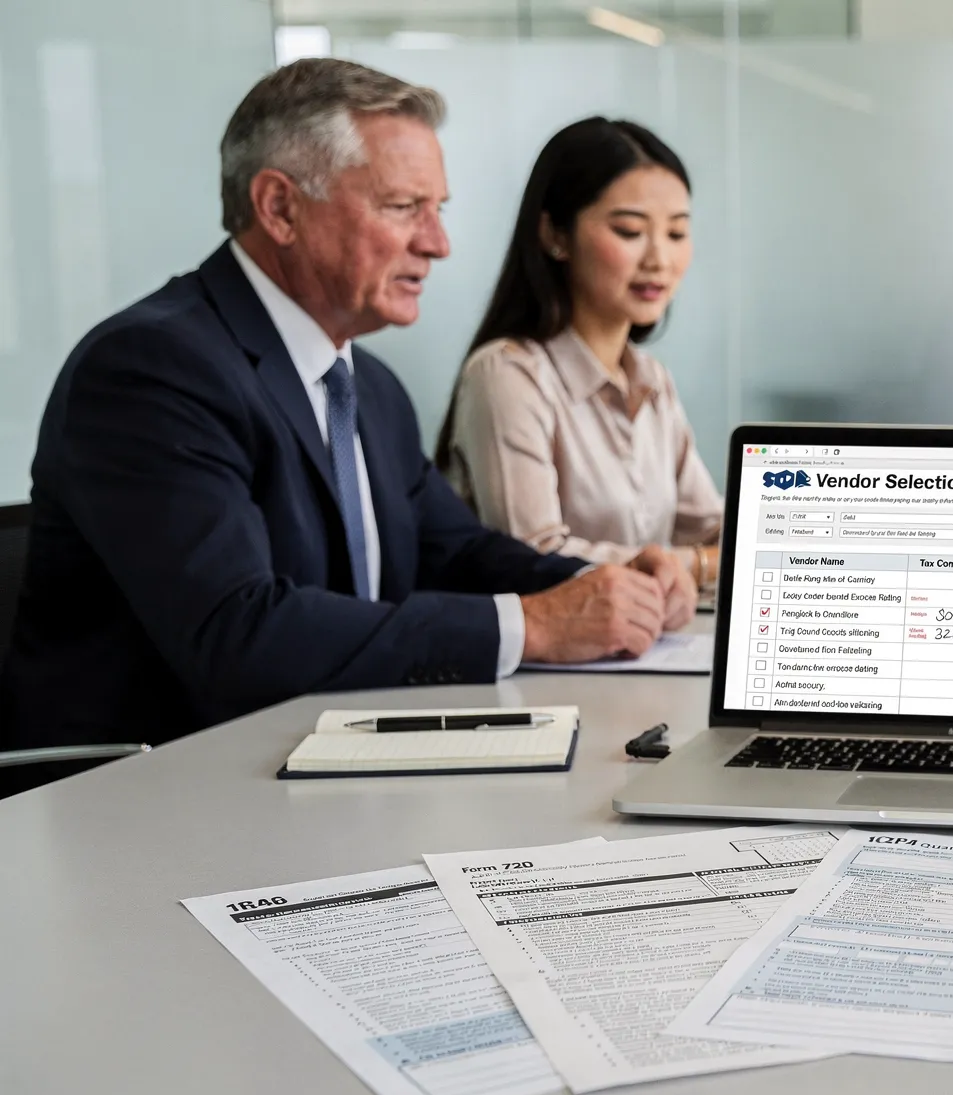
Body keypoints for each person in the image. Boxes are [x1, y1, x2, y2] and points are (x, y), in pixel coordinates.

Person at [0, 59, 694, 752]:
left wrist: (604, 585)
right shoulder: (152, 368)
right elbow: (239, 633)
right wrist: (535, 625)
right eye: (402, 208)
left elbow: (457, 553)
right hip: (151, 801)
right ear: (280, 208)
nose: (438, 242)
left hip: (329, 764)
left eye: (439, 209)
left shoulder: (370, 387)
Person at [435, 118, 720, 615]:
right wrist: (695, 565)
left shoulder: (652, 380)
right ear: (554, 235)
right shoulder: (507, 375)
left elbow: (717, 531)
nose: (659, 257)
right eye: (629, 230)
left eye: (677, 232)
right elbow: (532, 557)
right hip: (544, 672)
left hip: (645, 654)